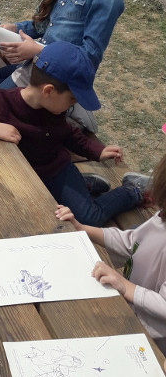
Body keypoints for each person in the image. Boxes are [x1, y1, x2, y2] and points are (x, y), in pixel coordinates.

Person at [0, 41, 150, 227]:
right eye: (71, 100)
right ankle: (85, 185)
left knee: (89, 218)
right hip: (26, 176)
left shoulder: (54, 109)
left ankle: (133, 190)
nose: (72, 106)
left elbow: (69, 135)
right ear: (48, 90)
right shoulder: (0, 102)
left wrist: (98, 150)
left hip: (56, 170)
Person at [56, 148, 165, 354]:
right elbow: (132, 241)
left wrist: (125, 286)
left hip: (153, 338)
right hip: (133, 309)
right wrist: (82, 229)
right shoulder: (162, 218)